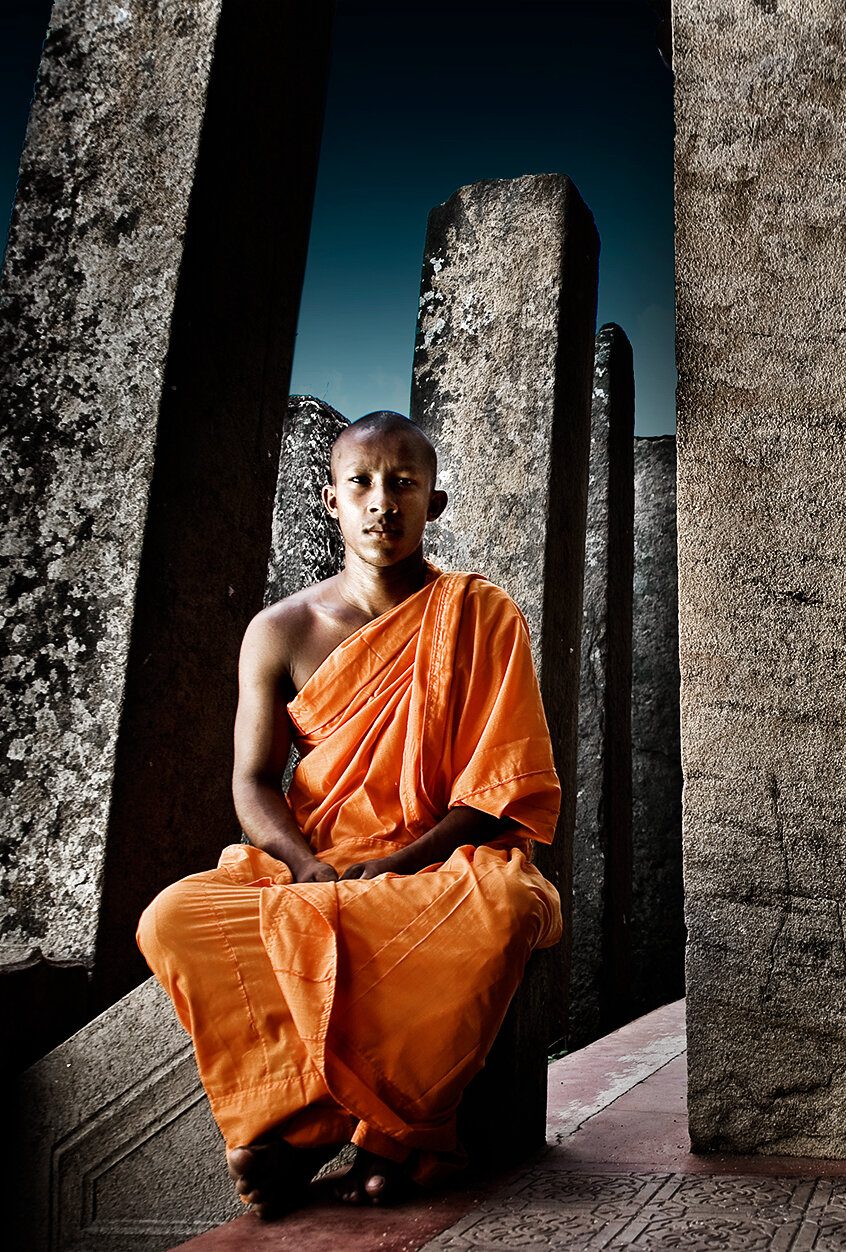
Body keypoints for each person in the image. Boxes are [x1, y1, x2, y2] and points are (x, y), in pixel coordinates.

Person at [136, 411, 563, 1218]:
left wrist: (403, 861)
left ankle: (355, 1134)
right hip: (319, 855)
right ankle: (338, 1128)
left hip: (442, 860)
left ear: (434, 504)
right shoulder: (281, 630)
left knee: (508, 907)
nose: (382, 502)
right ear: (330, 500)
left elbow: (497, 785)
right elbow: (255, 781)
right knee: (174, 917)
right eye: (361, 483)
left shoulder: (481, 613)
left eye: (404, 483)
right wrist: (304, 864)